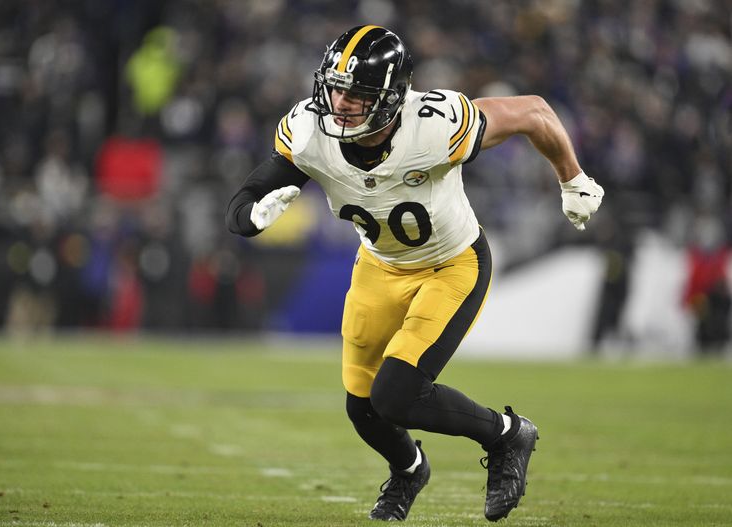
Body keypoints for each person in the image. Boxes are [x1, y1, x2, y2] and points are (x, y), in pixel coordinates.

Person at [226, 25, 604, 522]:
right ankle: (409, 470)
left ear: (390, 99)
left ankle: (508, 435)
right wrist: (250, 219)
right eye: (334, 88)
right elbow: (245, 196)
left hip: (452, 265)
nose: (339, 104)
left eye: (356, 95)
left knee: (396, 395)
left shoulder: (434, 124)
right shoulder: (311, 129)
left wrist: (572, 177)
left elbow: (533, 111)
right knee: (362, 409)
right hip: (380, 267)